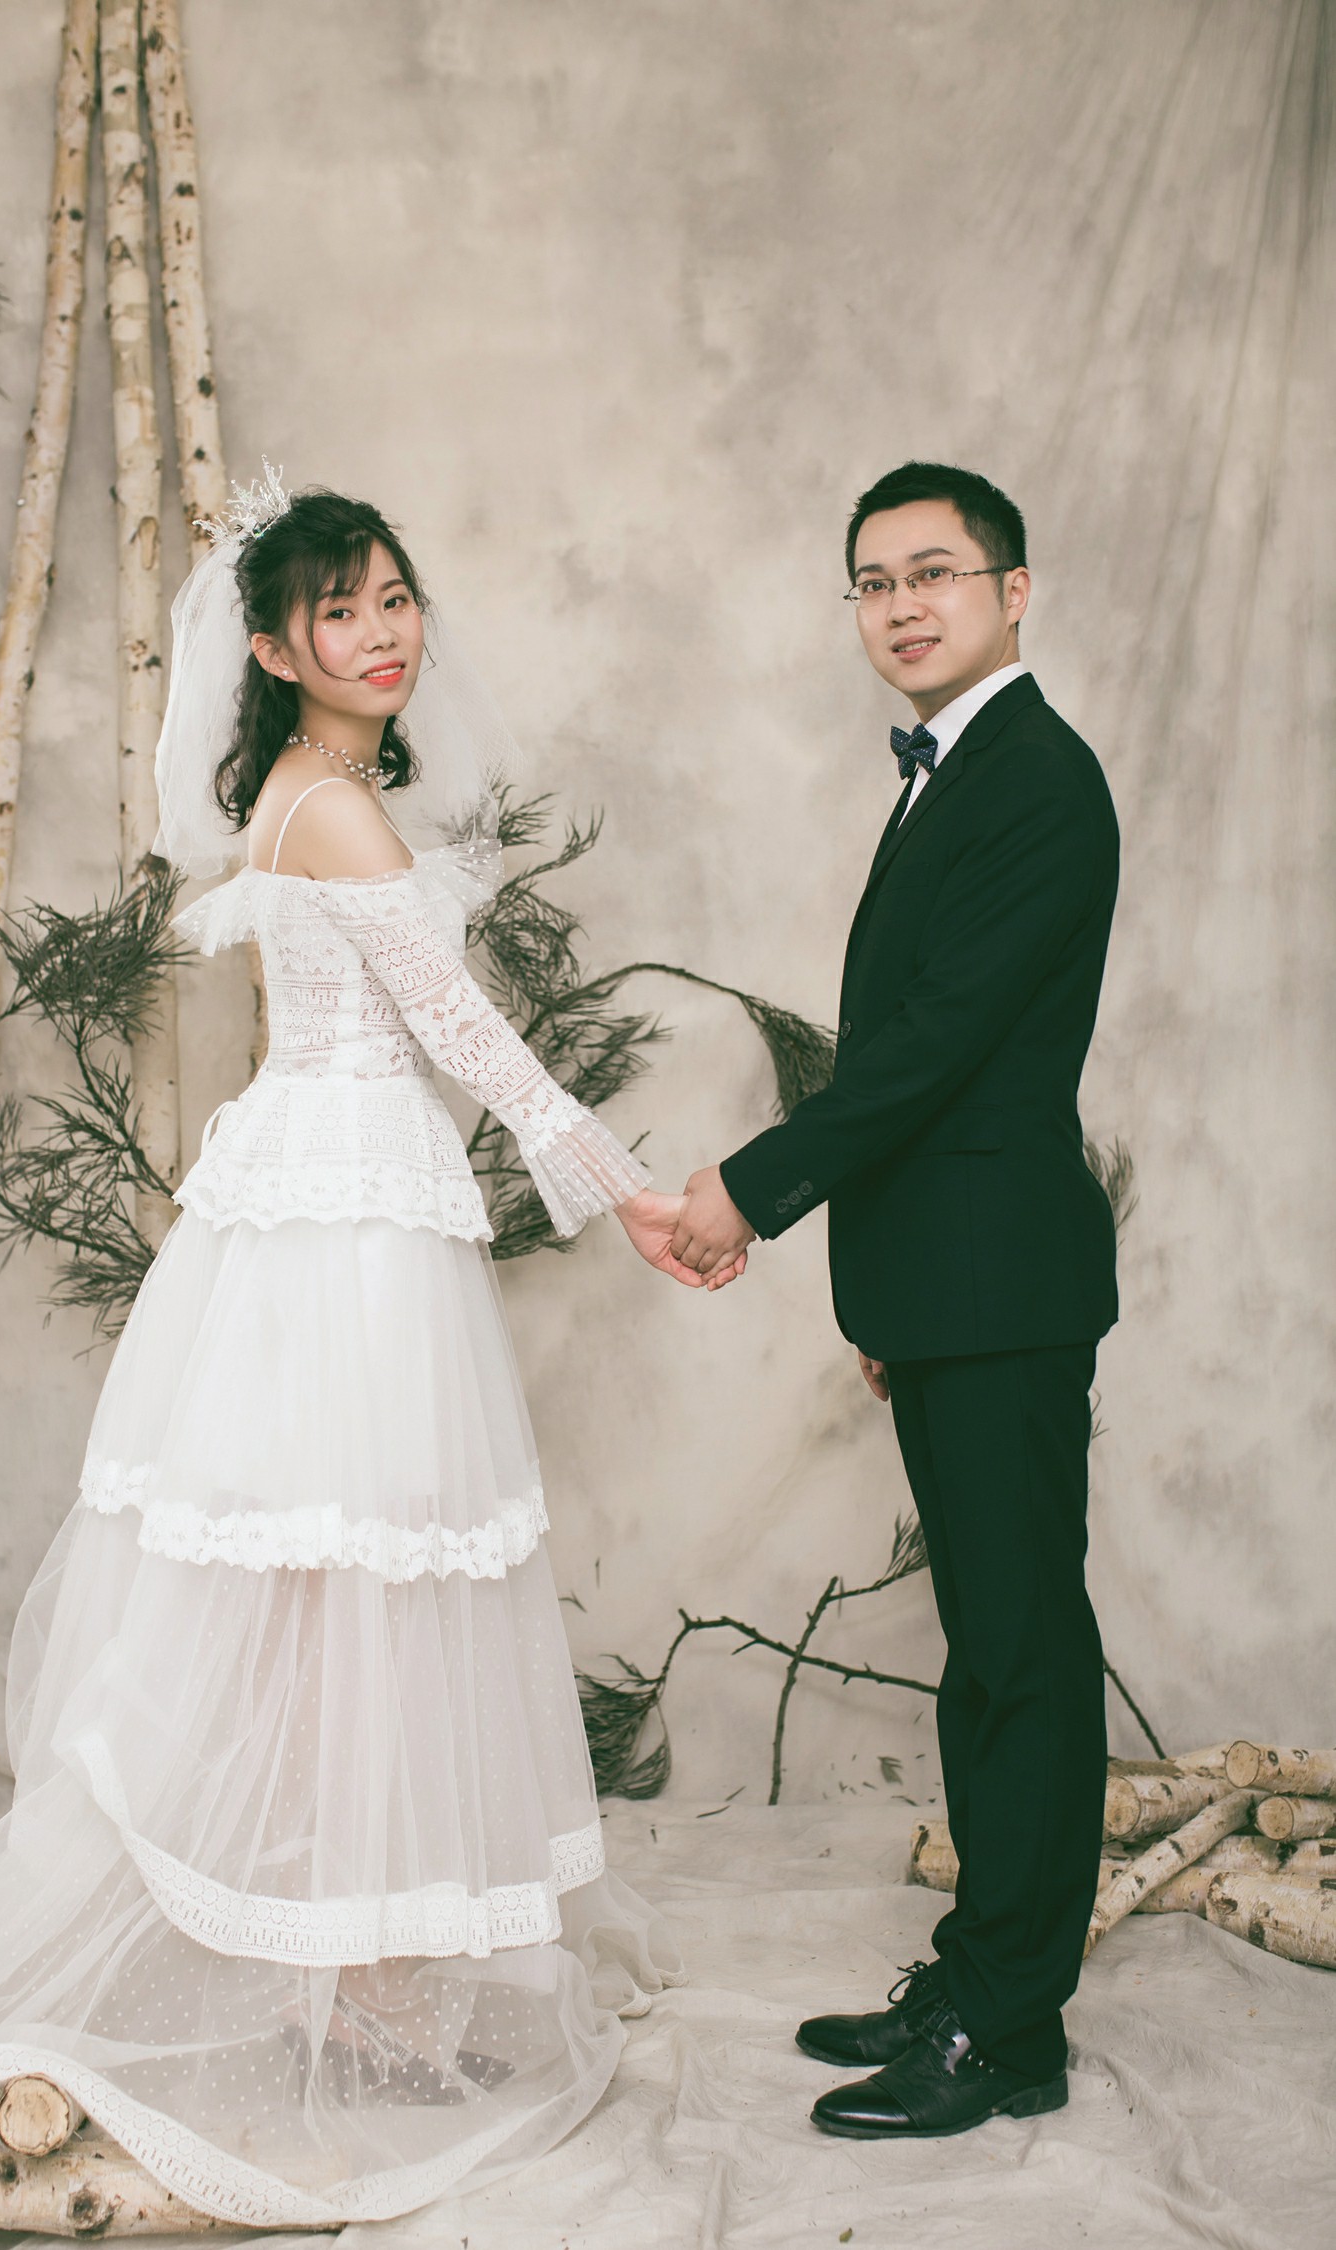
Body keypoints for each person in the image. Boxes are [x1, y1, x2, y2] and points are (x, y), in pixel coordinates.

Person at [0, 477, 737, 2224]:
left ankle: (363, 1969)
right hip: (343, 1222)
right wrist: (621, 1186)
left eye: (395, 597)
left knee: (354, 1593)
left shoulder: (321, 794)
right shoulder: (329, 809)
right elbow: (457, 1025)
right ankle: (360, 1981)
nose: (383, 633)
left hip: (341, 1188)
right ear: (270, 646)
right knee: (352, 1587)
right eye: (340, 610)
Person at [671, 460, 1120, 2139]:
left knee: (1023, 1650)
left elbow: (929, 1052)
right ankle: (979, 1967)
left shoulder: (1040, 779)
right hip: (952, 1282)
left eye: (935, 570)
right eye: (873, 580)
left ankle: (1011, 2031)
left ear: (1015, 590)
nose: (902, 604)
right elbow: (932, 1055)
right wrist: (888, 1292)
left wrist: (749, 1188)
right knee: (984, 1654)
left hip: (1006, 1281)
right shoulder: (956, 770)